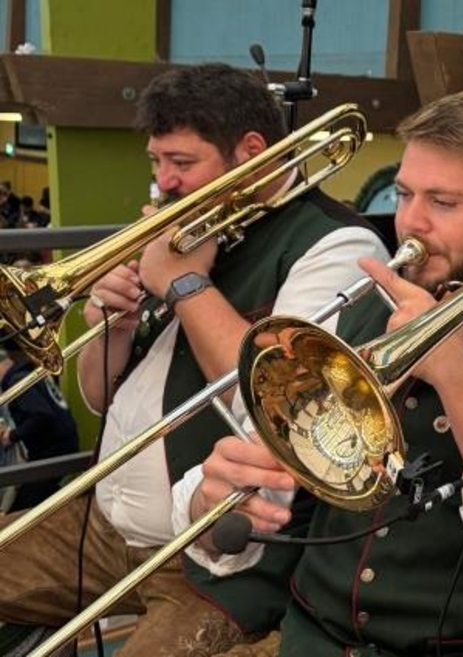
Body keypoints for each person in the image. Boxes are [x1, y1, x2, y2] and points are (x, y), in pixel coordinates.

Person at [177, 87, 463, 656]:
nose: (410, 223)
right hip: (309, 640)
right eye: (404, 193)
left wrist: (458, 374)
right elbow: (265, 502)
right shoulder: (361, 306)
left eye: (442, 203)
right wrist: (210, 499)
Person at [0, 63, 389, 656]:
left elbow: (292, 407)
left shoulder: (335, 246)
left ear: (251, 151)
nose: (164, 183)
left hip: (213, 561)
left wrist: (185, 286)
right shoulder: (187, 228)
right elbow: (101, 398)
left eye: (182, 163)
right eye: (156, 163)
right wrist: (114, 324)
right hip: (103, 524)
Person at [0, 345, 79, 510]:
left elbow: (42, 414)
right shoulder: (29, 374)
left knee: (24, 505)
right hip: (65, 444)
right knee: (42, 495)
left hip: (53, 451)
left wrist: (12, 435)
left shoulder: (16, 382)